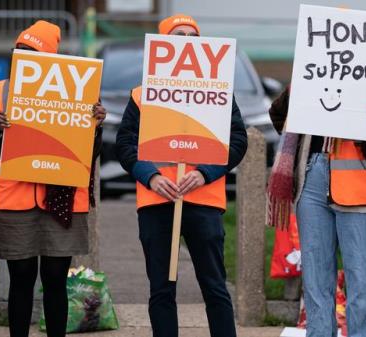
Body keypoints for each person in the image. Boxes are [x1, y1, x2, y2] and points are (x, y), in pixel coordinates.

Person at [115, 14, 247, 337]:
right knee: (161, 290)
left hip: (203, 201)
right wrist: (151, 176)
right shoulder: (140, 95)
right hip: (157, 202)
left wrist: (205, 173)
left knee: (214, 287)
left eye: (193, 35)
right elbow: (124, 144)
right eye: (179, 35)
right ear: (163, 45)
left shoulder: (218, 93)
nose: (188, 40)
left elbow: (238, 141)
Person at [0, 21, 106, 337]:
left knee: (54, 279)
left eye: (30, 52)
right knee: (21, 278)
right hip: (15, 200)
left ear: (49, 59)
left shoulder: (78, 91)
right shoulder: (1, 92)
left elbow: (89, 154)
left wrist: (96, 126)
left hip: (61, 201)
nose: (21, 57)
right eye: (18, 51)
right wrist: (4, 130)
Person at [268, 82, 366, 337]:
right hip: (311, 183)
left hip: (358, 187)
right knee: (315, 277)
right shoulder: (310, 75)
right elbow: (278, 116)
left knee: (362, 276)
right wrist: (297, 87)